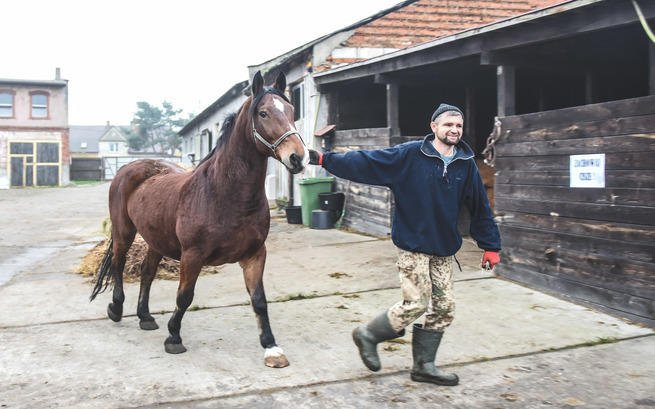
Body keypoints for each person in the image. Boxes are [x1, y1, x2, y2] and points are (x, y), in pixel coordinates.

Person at [307, 103, 501, 386]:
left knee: (445, 308)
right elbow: (367, 162)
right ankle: (369, 335)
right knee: (417, 304)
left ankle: (424, 366)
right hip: (413, 244)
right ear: (434, 127)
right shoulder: (410, 155)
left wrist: (491, 246)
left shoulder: (466, 163)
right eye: (448, 124)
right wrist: (324, 159)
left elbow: (479, 206)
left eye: (458, 126)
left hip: (444, 248)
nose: (454, 130)